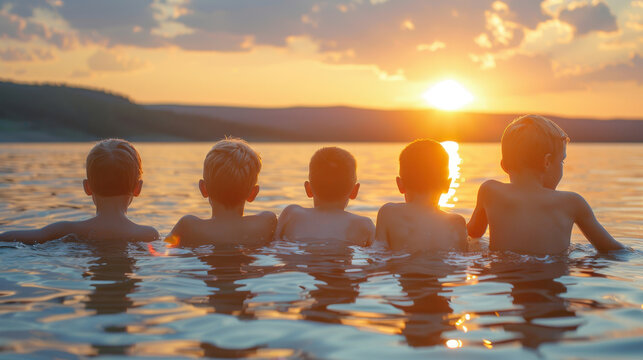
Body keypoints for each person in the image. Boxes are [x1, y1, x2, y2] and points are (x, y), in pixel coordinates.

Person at [467, 114, 625, 254]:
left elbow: (473, 233)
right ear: (547, 162)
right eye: (562, 161)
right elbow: (611, 249)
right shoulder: (572, 203)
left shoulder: (490, 191)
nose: (562, 167)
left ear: (503, 166)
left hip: (505, 275)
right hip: (549, 279)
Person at [0, 139, 158, 243]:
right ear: (138, 188)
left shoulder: (63, 230)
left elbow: (8, 237)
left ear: (87, 187)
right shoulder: (147, 234)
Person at [166, 138, 276, 247]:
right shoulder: (265, 223)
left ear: (203, 189)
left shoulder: (188, 226)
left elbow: (165, 248)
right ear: (253, 193)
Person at [376, 139, 466, 251]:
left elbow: (377, 254)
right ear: (447, 185)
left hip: (403, 267)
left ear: (400, 184)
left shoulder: (389, 212)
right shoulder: (457, 223)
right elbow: (461, 261)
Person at [275, 147, 374, 246]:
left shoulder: (292, 213)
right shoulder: (364, 224)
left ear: (308, 189)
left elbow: (273, 241)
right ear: (355, 191)